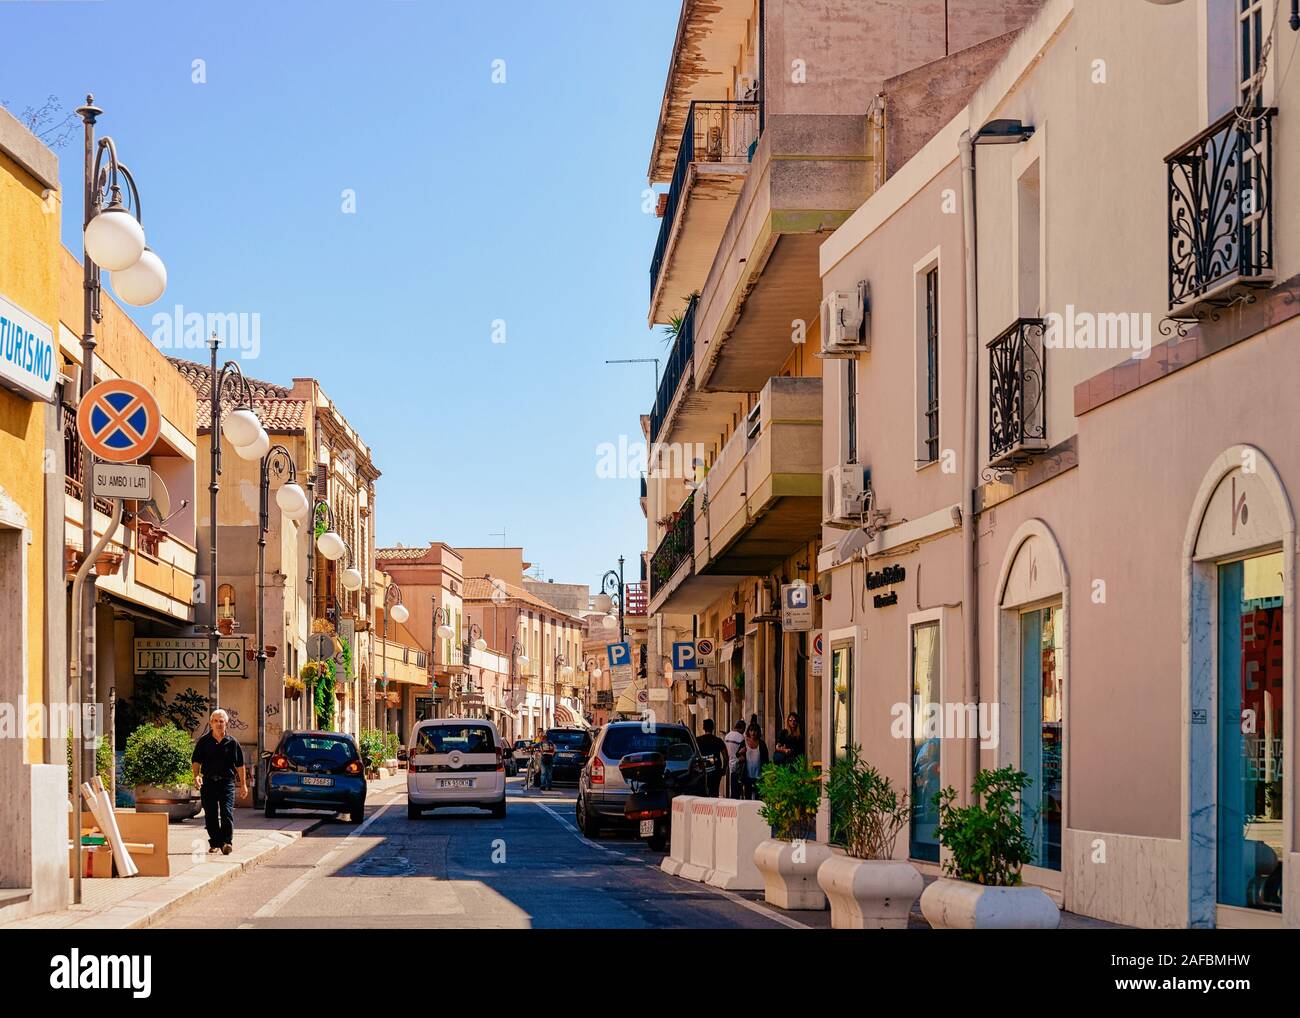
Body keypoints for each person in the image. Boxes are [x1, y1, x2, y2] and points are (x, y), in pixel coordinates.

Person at [191, 709, 248, 855]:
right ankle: (215, 842)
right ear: (210, 723)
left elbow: (240, 765)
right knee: (210, 814)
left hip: (226, 783)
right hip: (208, 782)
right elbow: (196, 761)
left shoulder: (232, 743)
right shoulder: (204, 742)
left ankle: (227, 842)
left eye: (221, 721)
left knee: (226, 812)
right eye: (215, 721)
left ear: (226, 723)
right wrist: (196, 776)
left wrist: (243, 785)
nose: (218, 724)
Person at [735, 722, 769, 801]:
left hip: (759, 774)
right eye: (751, 730)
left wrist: (766, 773)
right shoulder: (744, 742)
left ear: (758, 732)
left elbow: (766, 759)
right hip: (747, 774)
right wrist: (741, 752)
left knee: (759, 797)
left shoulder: (761, 743)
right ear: (748, 732)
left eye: (755, 731)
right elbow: (737, 754)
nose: (753, 733)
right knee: (748, 796)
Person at [695, 719, 727, 798]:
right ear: (713, 728)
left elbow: (694, 755)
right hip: (715, 772)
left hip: (702, 772)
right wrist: (724, 769)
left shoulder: (697, 740)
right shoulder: (718, 741)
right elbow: (725, 756)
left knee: (703, 794)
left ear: (703, 728)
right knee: (714, 793)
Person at [724, 720, 746, 798]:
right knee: (736, 788)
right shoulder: (741, 737)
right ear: (742, 728)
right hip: (737, 764)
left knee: (731, 786)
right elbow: (743, 752)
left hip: (729, 763)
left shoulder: (727, 736)